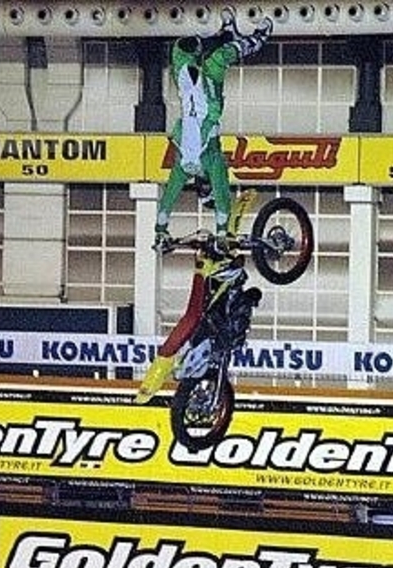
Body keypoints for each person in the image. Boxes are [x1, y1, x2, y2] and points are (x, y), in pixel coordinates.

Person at [136, 9, 272, 405]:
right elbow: (200, 193)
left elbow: (178, 195)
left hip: (198, 100)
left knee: (198, 53)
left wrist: (163, 232)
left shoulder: (188, 160)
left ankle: (231, 36)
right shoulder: (202, 160)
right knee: (216, 59)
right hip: (209, 96)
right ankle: (242, 39)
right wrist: (167, 230)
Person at [154, 7, 273, 245]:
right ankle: (258, 39)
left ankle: (226, 35)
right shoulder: (207, 162)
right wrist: (221, 232)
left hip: (190, 96)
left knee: (185, 49)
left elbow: (172, 196)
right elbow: (219, 194)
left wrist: (161, 230)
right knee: (217, 58)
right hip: (207, 103)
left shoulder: (186, 166)